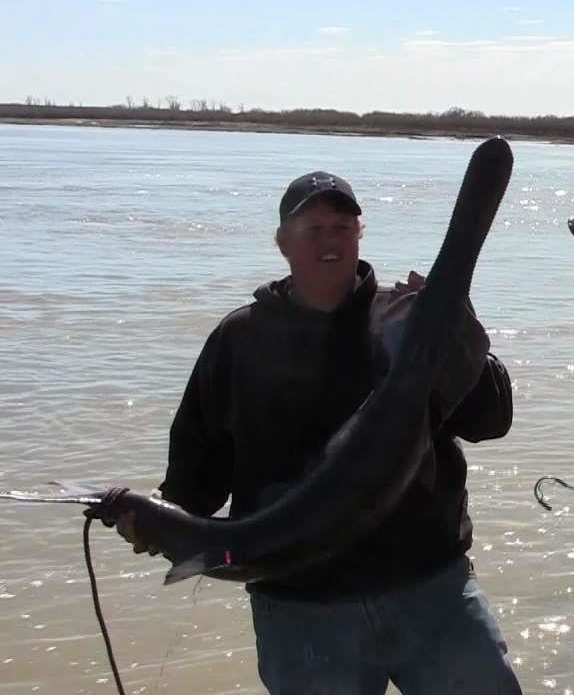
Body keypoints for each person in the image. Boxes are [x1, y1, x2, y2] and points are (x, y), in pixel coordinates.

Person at [112, 171, 523, 694]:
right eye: (314, 229)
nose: (330, 240)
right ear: (283, 242)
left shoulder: (403, 319)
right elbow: (197, 472)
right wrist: (158, 523)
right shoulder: (239, 339)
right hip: (302, 606)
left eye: (342, 227)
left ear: (359, 235)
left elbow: (492, 420)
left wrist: (457, 325)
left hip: (429, 588)